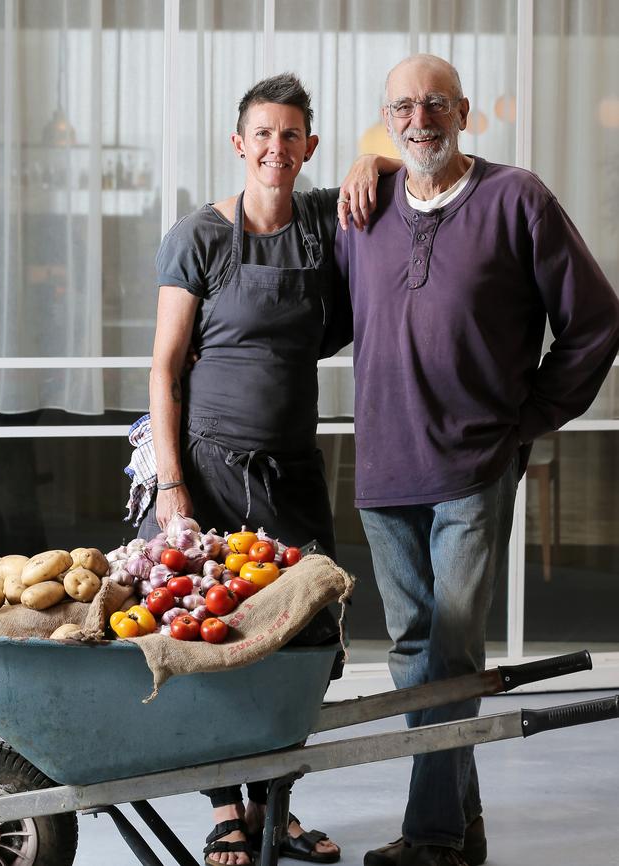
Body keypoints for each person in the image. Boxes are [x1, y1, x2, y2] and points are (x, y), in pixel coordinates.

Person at [334, 54, 619, 866]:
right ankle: (463, 827)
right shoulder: (367, 203)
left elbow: (596, 321)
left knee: (452, 652)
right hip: (385, 470)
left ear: (464, 112)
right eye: (402, 109)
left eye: (435, 105)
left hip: (471, 468)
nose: (419, 120)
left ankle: (429, 839)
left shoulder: (516, 198)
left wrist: (529, 416)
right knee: (411, 652)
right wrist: (369, 164)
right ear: (387, 120)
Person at [134, 73, 400, 866]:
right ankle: (226, 814)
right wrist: (174, 486)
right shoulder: (198, 237)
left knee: (298, 642)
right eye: (263, 135)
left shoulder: (324, 222)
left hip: (292, 472)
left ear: (309, 148)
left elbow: (407, 156)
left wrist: (370, 165)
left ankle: (276, 806)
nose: (276, 149)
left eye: (292, 136)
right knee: (212, 637)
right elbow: (163, 368)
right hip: (208, 470)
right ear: (238, 143)